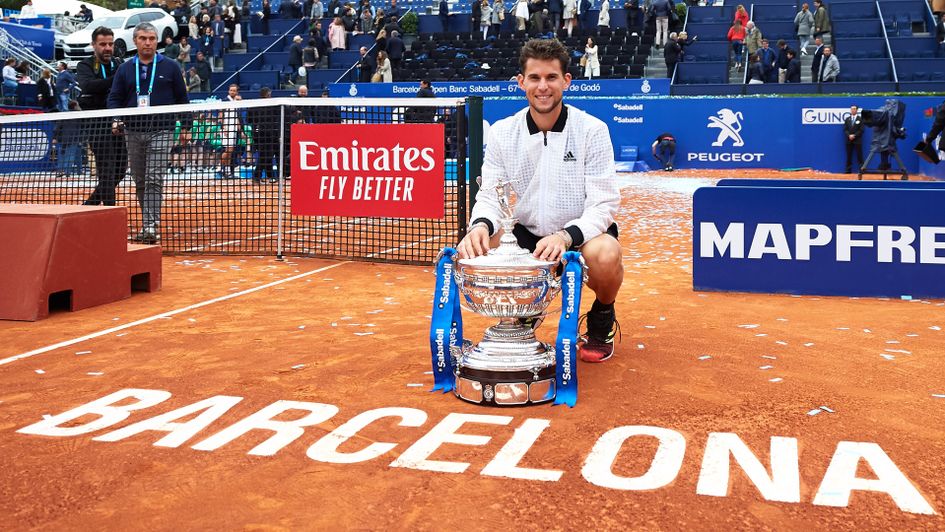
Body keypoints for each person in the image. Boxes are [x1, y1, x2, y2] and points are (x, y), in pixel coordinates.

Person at [457, 39, 623, 363]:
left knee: (605, 254)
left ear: (567, 81)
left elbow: (604, 204)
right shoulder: (504, 133)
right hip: (527, 233)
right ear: (521, 82)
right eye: (534, 78)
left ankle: (603, 313)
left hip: (577, 236)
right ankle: (527, 306)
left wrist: (565, 236)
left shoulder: (593, 130)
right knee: (480, 243)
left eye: (551, 77)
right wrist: (479, 225)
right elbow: (490, 193)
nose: (542, 86)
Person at [107, 22, 189, 244]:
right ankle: (148, 221)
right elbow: (114, 98)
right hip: (132, 131)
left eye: (152, 38)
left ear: (157, 41)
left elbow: (182, 99)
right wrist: (116, 119)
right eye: (143, 38)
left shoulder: (171, 67)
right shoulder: (125, 69)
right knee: (140, 180)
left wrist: (187, 128)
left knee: (154, 178)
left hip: (162, 130)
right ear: (135, 41)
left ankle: (150, 225)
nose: (148, 43)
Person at [78, 26, 127, 206]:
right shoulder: (85, 65)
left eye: (110, 44)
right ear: (93, 45)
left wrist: (109, 82)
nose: (107, 48)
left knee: (120, 169)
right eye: (103, 44)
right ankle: (109, 211)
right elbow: (89, 86)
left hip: (117, 122)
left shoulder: (119, 63)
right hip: (96, 124)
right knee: (106, 169)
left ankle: (89, 205)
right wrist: (117, 79)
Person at [843, 104, 864, 173]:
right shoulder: (847, 119)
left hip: (857, 140)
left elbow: (861, 130)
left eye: (854, 109)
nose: (852, 110)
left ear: (857, 110)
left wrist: (854, 135)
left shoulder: (860, 119)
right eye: (851, 109)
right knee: (849, 155)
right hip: (849, 140)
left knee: (859, 155)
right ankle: (848, 170)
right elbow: (845, 129)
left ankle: (861, 170)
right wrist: (849, 135)